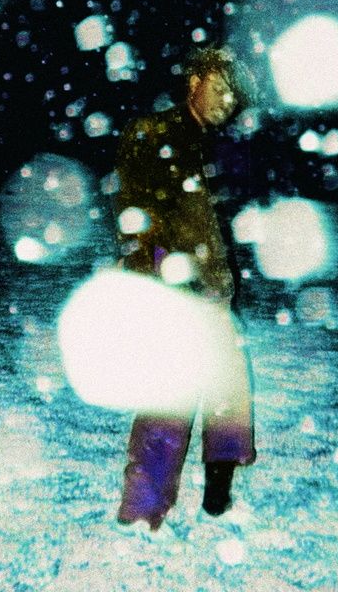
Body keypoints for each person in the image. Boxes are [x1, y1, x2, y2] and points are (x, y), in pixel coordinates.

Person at [112, 47, 257, 531]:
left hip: (210, 289)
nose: (225, 102)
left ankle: (218, 498)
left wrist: (220, 279)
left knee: (228, 390)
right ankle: (142, 511)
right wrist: (157, 276)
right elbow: (134, 214)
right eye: (219, 88)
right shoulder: (155, 133)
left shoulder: (209, 146)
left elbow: (210, 225)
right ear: (195, 81)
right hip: (172, 285)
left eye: (232, 96)